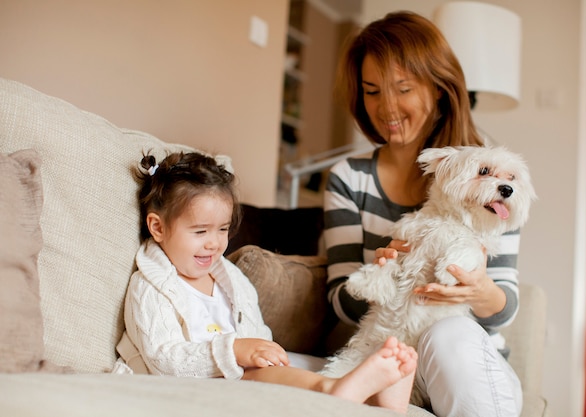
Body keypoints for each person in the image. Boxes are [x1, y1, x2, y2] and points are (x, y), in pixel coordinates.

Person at [323, 10, 523, 417]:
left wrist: (478, 289)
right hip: (389, 352)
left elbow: (506, 306)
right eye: (372, 91)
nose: (388, 107)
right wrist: (391, 275)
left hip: (467, 360)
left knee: (448, 332)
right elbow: (339, 299)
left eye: (403, 88)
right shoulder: (349, 177)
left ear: (438, 89)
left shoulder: (488, 179)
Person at [114, 151, 418, 413]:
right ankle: (333, 392)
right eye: (200, 231)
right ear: (157, 227)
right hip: (187, 387)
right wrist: (233, 351)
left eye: (222, 229)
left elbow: (257, 335)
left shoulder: (231, 280)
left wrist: (260, 353)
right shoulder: (148, 288)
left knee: (279, 372)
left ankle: (378, 405)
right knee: (265, 378)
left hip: (239, 379)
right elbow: (164, 361)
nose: (214, 243)